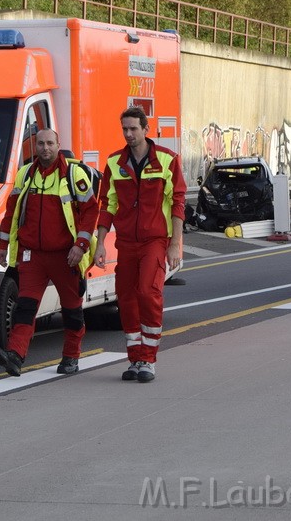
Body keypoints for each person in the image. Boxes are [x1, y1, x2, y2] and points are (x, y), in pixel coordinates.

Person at [0, 128, 99, 377]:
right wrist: (4, 247)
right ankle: (15, 355)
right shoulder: (25, 175)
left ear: (58, 144)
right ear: (34, 146)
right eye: (40, 143)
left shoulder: (74, 174)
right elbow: (11, 213)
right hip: (33, 256)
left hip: (65, 256)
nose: (45, 148)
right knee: (25, 306)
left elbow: (91, 211)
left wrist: (80, 246)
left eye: (50, 143)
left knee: (72, 310)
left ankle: (71, 356)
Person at [94, 107, 186, 384]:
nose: (129, 134)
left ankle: (148, 358)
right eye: (125, 129)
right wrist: (100, 245)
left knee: (148, 291)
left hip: (155, 241)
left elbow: (179, 204)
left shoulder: (167, 161)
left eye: (134, 128)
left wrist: (175, 245)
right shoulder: (114, 163)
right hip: (126, 243)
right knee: (126, 297)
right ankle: (134, 357)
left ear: (146, 129)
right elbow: (107, 206)